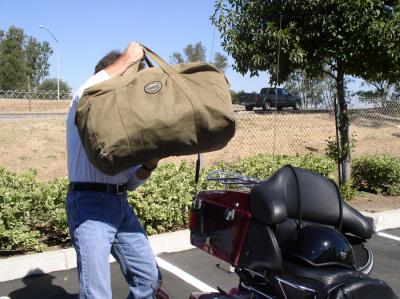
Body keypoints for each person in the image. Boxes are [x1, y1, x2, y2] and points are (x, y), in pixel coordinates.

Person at [66, 42, 161, 299]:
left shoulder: (124, 128)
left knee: (148, 279)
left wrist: (149, 165)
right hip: (88, 205)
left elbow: (129, 183)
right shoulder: (84, 105)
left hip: (119, 204)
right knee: (96, 293)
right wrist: (129, 59)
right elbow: (89, 89)